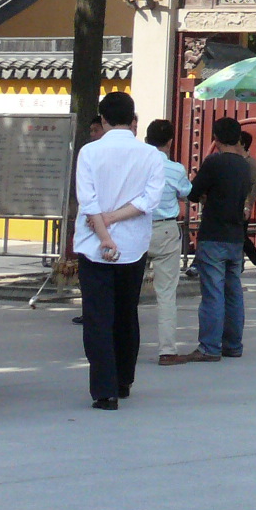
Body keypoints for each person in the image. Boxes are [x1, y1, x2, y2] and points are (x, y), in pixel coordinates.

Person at [72, 91, 168, 408]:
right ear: (132, 118)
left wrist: (104, 235)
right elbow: (149, 200)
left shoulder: (89, 152)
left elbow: (88, 201)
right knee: (126, 314)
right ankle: (124, 379)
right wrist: (114, 222)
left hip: (93, 246)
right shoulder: (151, 155)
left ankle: (105, 390)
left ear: (102, 119)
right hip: (133, 246)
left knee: (97, 317)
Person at [183, 117, 256, 363]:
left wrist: (206, 196)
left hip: (214, 233)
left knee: (213, 293)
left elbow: (193, 192)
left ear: (215, 138)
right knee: (233, 291)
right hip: (236, 235)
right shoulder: (245, 165)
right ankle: (233, 344)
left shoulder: (214, 162)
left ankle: (209, 346)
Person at [142, 120, 192, 368]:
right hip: (165, 230)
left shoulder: (136, 166)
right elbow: (186, 192)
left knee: (126, 293)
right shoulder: (175, 169)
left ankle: (120, 347)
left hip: (136, 229)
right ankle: (167, 351)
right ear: (171, 142)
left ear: (146, 139)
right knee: (166, 294)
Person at [237, 131, 256, 274]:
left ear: (242, 144)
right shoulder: (235, 160)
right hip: (232, 202)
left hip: (243, 204)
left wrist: (248, 204)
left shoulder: (249, 162)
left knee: (240, 236)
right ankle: (245, 262)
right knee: (238, 236)